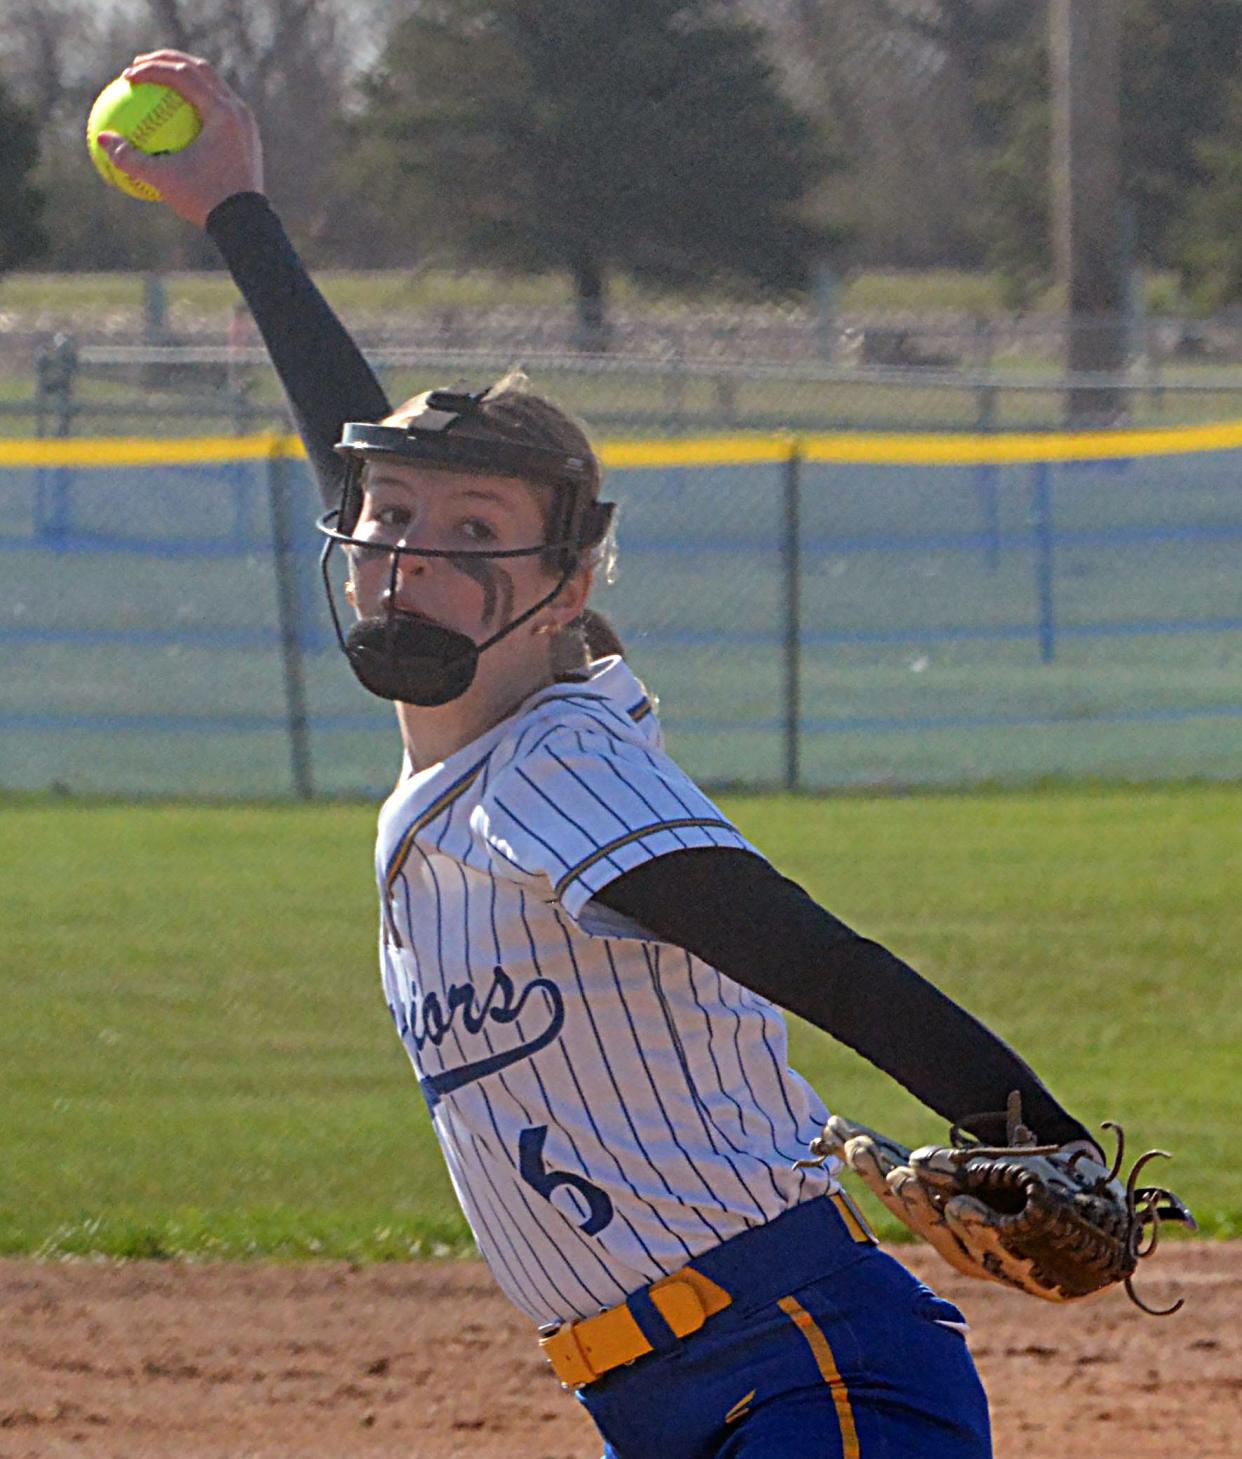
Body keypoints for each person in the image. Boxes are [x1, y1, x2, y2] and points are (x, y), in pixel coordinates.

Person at [99, 51, 1107, 1459]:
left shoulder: (554, 773)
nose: (407, 556)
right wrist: (235, 212)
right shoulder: (459, 780)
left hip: (801, 1364)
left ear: (562, 589)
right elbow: (363, 467)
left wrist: (1035, 1135)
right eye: (389, 521)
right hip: (655, 1397)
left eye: (472, 535)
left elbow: (810, 957)